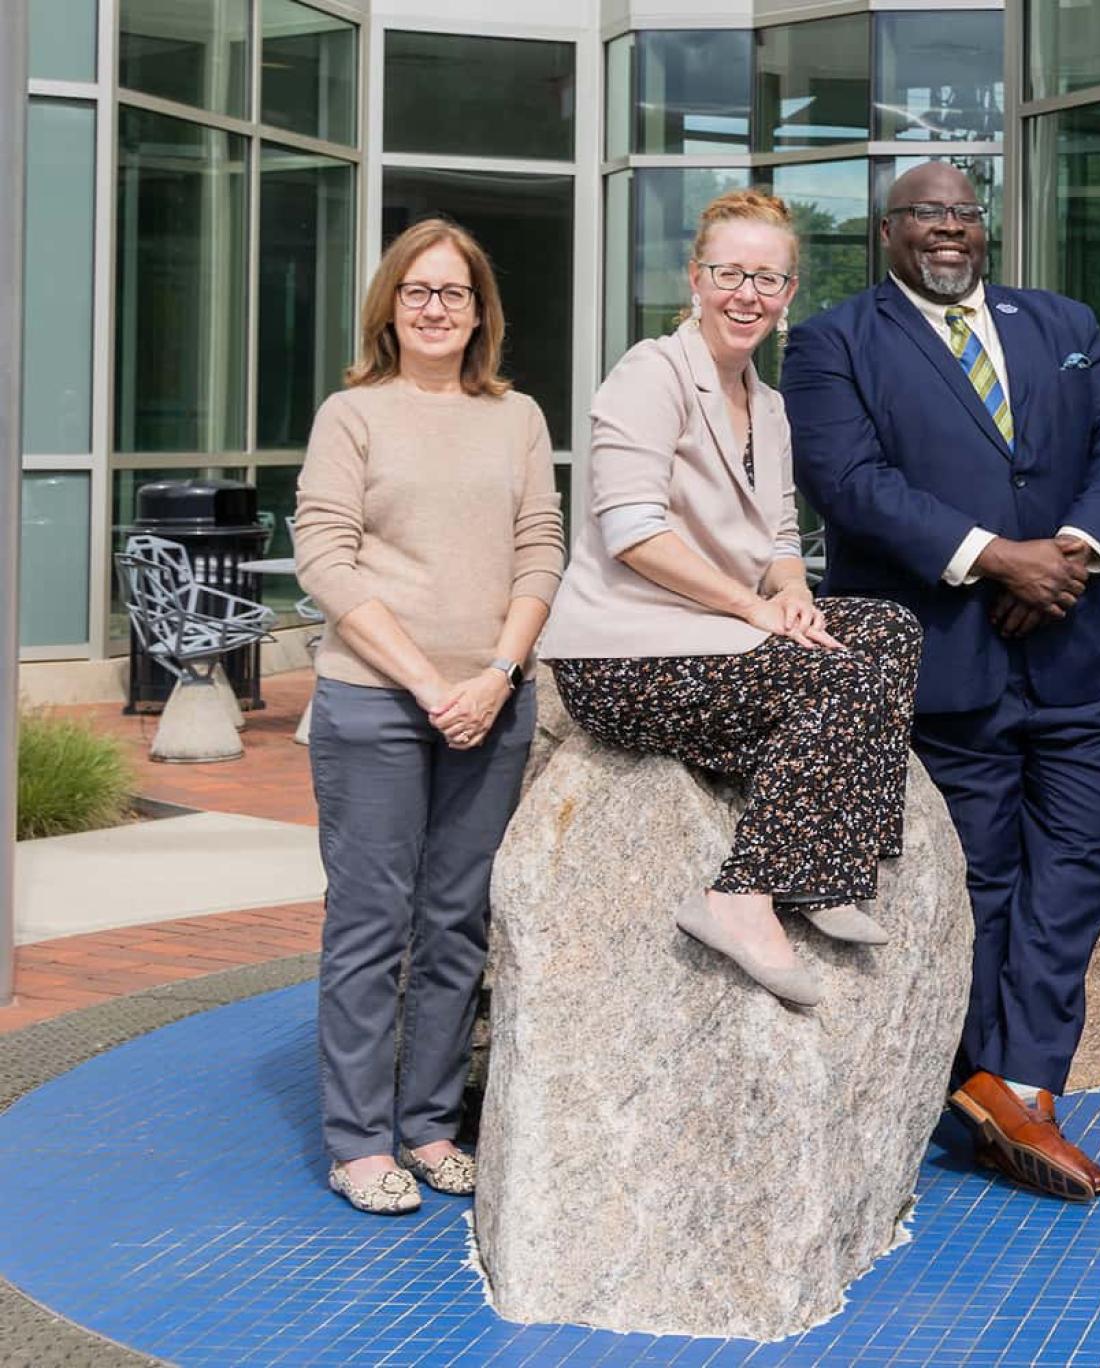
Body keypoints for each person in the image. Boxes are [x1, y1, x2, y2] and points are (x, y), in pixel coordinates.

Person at [782, 162, 1100, 1204]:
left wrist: (1067, 553)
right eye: (923, 215)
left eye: (962, 213)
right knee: (981, 881)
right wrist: (997, 557)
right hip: (949, 661)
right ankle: (993, 1090)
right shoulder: (830, 342)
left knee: (1086, 849)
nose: (946, 230)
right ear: (886, 230)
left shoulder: (1062, 319)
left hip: (1073, 649)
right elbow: (852, 487)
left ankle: (1014, 1084)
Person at [537, 189, 922, 1009]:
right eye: (730, 273)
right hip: (623, 653)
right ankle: (738, 899)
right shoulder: (651, 372)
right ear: (696, 279)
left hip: (719, 636)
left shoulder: (771, 407)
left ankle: (829, 866)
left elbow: (784, 534)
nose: (748, 294)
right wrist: (751, 610)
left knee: (885, 628)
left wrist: (791, 596)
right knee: (835, 679)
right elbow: (633, 530)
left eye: (769, 280)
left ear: (788, 298)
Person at [296, 218, 564, 1215]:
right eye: (418, 292)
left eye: (454, 292)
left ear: (481, 311)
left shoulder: (517, 418)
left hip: (492, 703)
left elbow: (542, 548)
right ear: (391, 308)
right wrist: (424, 681)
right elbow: (326, 557)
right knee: (371, 924)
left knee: (456, 924)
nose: (436, 308)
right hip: (376, 704)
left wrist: (496, 672)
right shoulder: (351, 415)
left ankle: (429, 1126)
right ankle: (360, 1143)